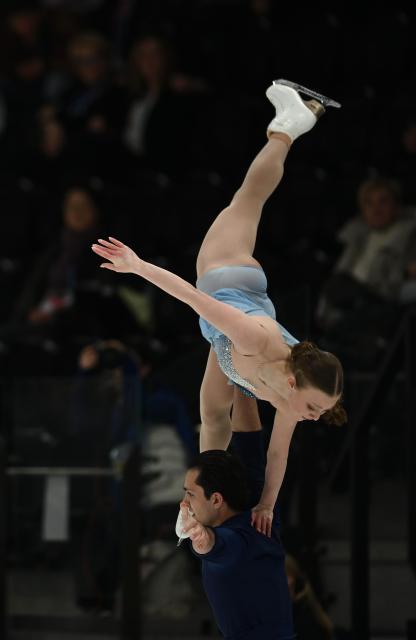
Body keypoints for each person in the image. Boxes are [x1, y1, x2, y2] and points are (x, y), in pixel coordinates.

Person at [92, 80, 346, 536]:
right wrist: (137, 265)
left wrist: (267, 503)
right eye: (314, 406)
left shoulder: (292, 400)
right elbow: (193, 297)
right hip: (226, 274)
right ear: (293, 381)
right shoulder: (256, 338)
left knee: (212, 418)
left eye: (320, 411)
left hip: (231, 338)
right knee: (248, 198)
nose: (314, 416)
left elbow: (277, 454)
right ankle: (289, 125)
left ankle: (191, 503)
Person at [178, 389, 295, 640]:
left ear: (218, 499)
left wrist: (202, 540)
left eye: (190, 494)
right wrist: (243, 375)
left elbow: (218, 547)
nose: (185, 504)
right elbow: (248, 438)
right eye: (189, 494)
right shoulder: (251, 518)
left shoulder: (247, 521)